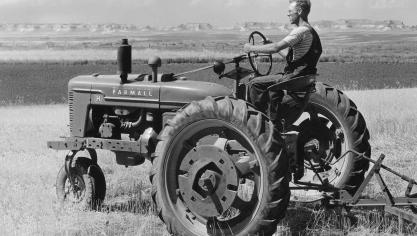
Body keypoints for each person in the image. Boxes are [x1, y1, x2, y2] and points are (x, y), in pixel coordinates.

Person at [243, 0, 322, 130]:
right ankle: (272, 116)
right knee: (271, 82)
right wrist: (272, 44)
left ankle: (263, 125)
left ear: (300, 11)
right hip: (300, 76)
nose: (287, 14)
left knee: (254, 83)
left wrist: (251, 48)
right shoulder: (311, 31)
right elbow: (289, 57)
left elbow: (275, 47)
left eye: (290, 11)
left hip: (294, 77)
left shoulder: (300, 31)